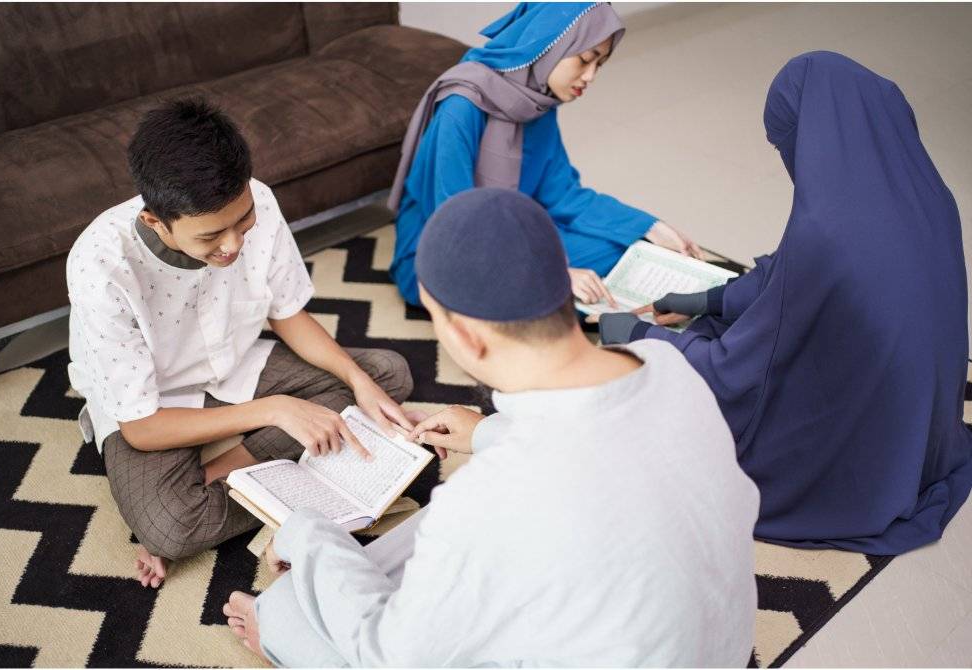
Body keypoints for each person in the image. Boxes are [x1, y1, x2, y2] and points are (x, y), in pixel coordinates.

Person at [224, 188, 759, 667]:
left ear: (467, 336)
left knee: (291, 615)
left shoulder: (490, 496)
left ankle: (281, 629)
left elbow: (393, 655)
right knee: (426, 546)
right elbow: (597, 451)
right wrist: (484, 431)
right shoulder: (665, 365)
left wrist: (305, 531)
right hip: (716, 649)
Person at [601, 51, 972, 555]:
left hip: (859, 457)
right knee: (712, 323)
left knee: (666, 402)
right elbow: (792, 277)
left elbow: (739, 374)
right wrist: (706, 298)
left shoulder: (828, 232)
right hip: (924, 434)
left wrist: (637, 334)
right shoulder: (927, 194)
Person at [66, 99, 415, 588]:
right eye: (211, 237)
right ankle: (287, 468)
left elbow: (288, 314)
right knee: (171, 526)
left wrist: (357, 380)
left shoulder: (259, 200)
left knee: (386, 375)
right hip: (154, 404)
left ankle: (227, 470)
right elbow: (143, 429)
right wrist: (275, 410)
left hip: (236, 361)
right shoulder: (99, 268)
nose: (232, 245)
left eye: (243, 222)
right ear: (155, 223)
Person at [387, 1, 704, 310]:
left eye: (599, 65)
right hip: (446, 253)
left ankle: (550, 296)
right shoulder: (460, 108)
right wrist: (554, 272)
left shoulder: (536, 102)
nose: (590, 76)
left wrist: (650, 227)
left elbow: (563, 195)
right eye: (585, 60)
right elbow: (453, 222)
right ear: (551, 47)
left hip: (511, 232)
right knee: (547, 281)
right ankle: (547, 298)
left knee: (629, 246)